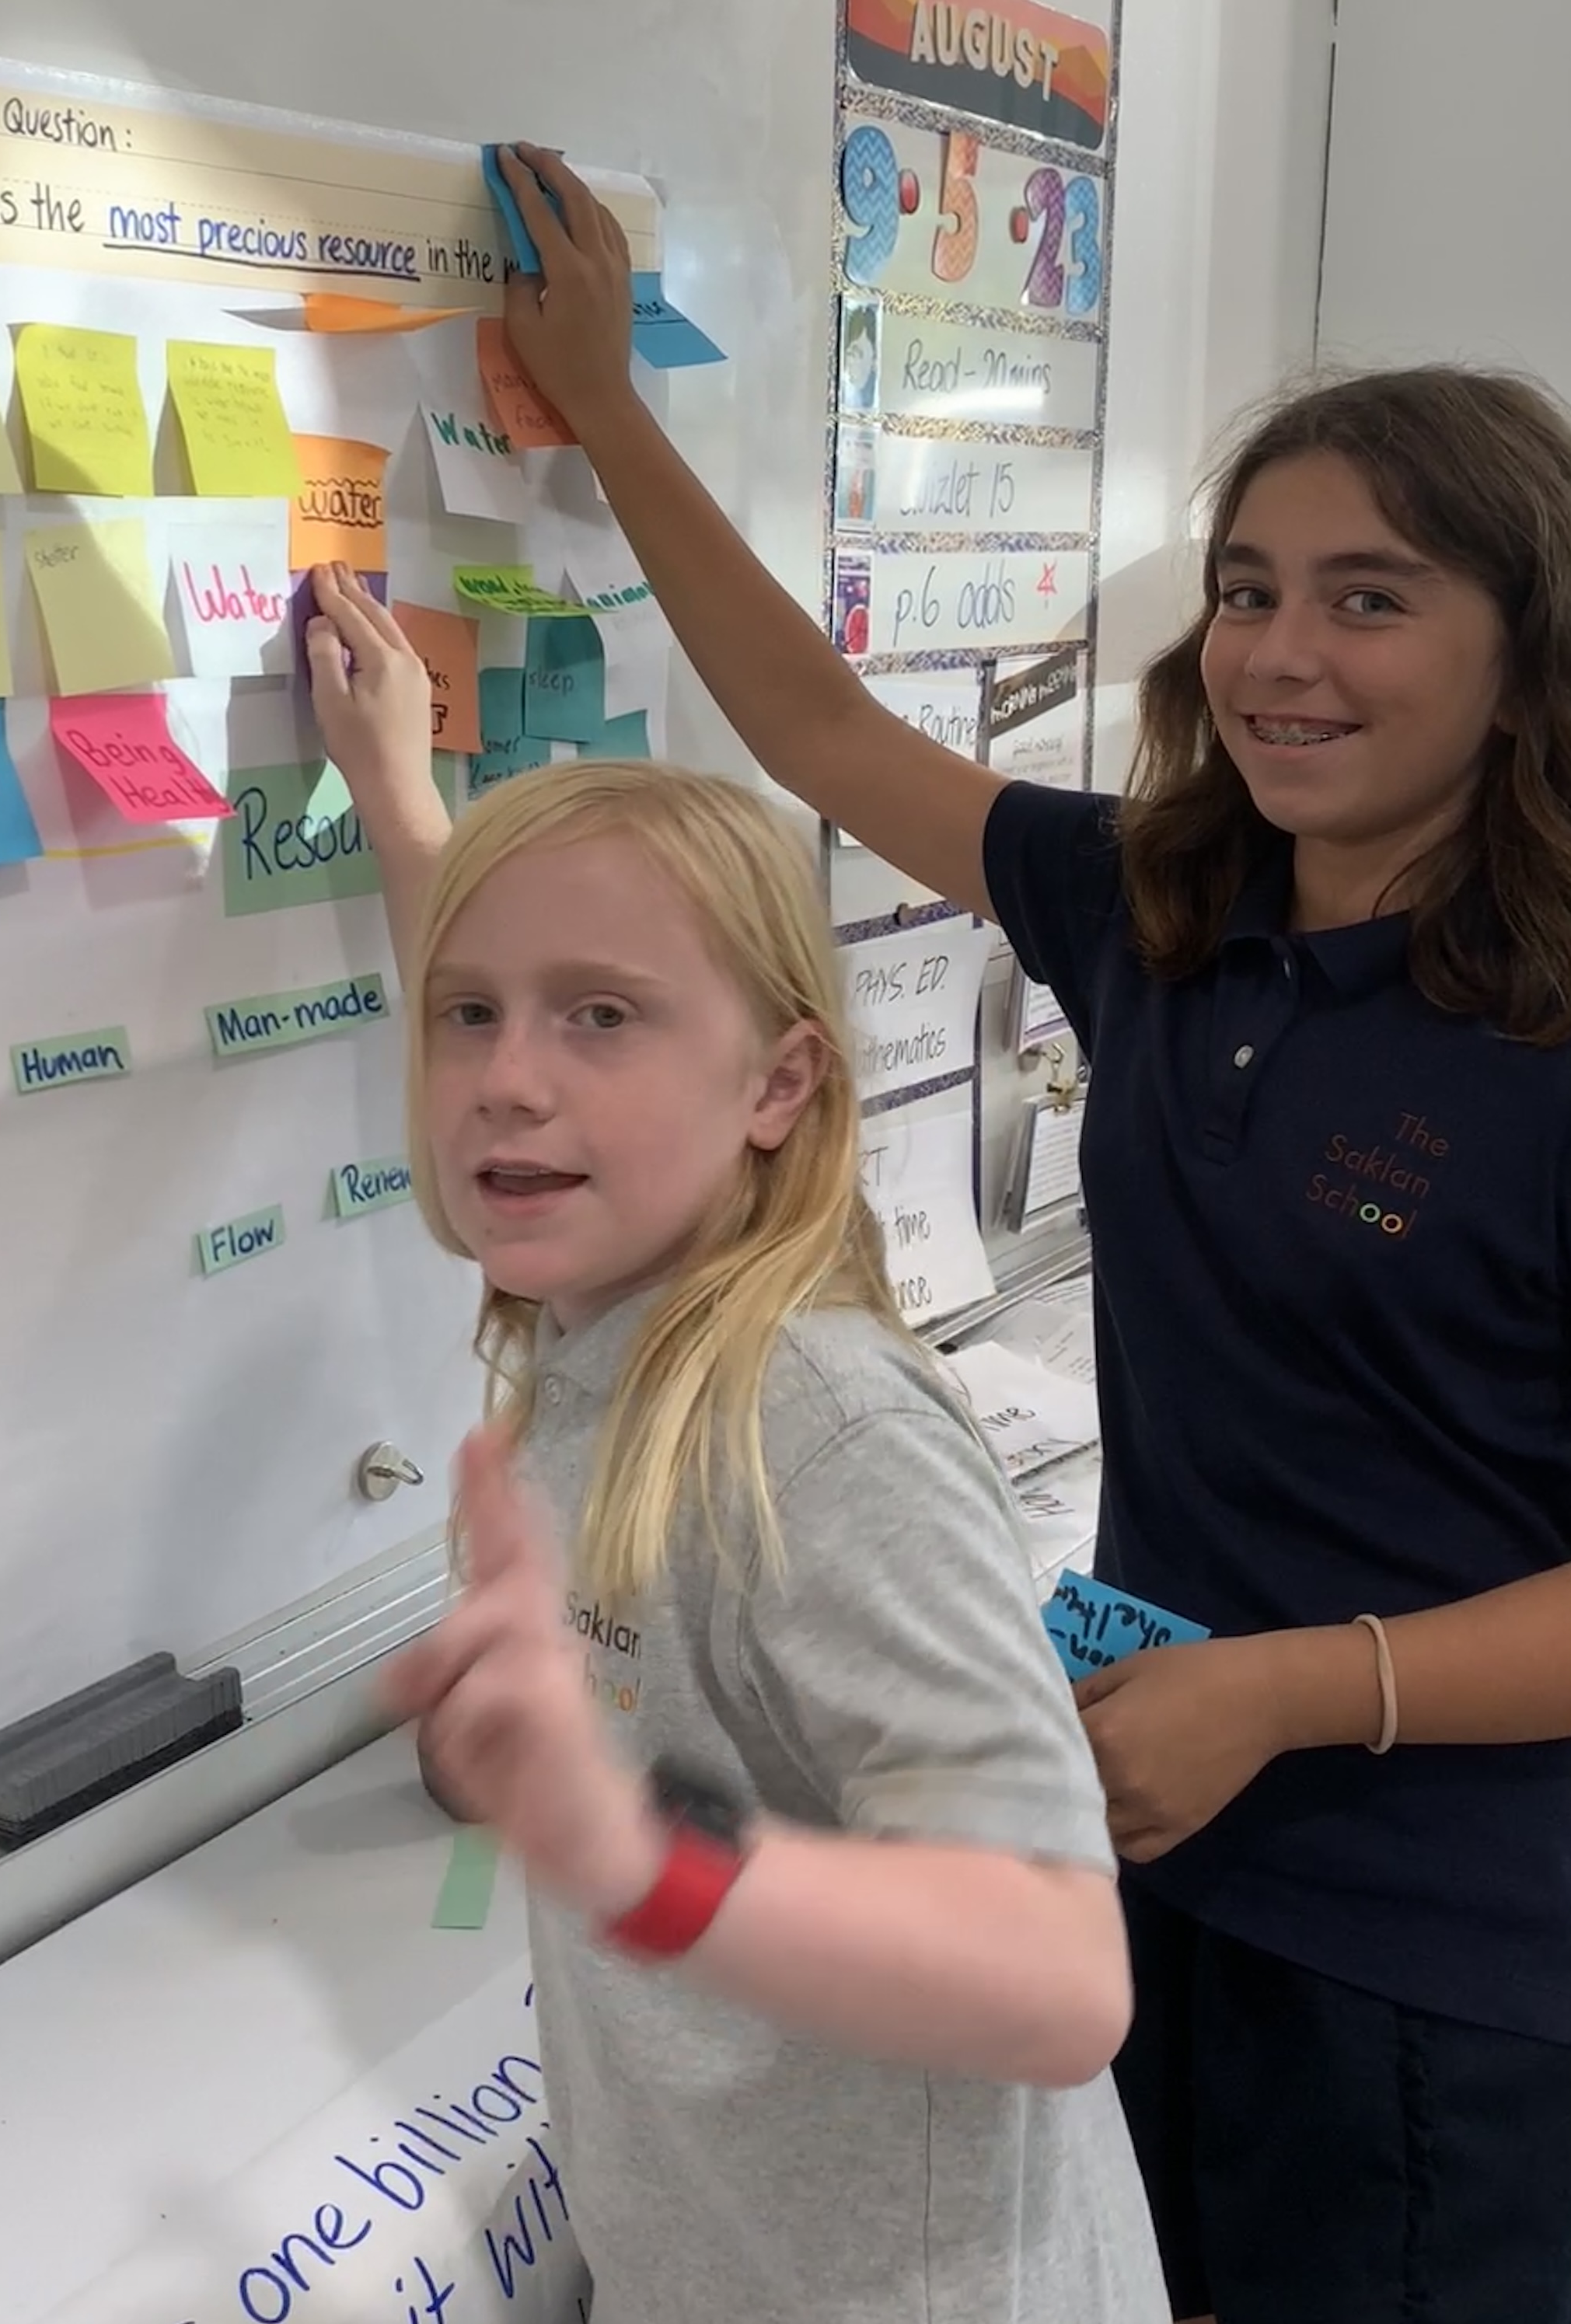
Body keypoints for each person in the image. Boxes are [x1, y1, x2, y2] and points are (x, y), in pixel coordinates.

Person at [449, 147, 1571, 2324]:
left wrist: (1286, 1689)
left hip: (1439, 1945)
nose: (1279, 655)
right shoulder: (1160, 907)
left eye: (1369, 599)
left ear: (1524, 661)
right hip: (1139, 1835)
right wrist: (605, 412)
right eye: (1245, 589)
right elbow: (815, 727)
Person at [305, 595, 1167, 2322]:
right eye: (466, 1015)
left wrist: (636, 1859)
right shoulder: (589, 1311)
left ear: (777, 1085)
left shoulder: (815, 1427)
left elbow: (1062, 1981)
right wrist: (397, 796)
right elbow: (504, 1017)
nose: (505, 1080)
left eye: (600, 1017)